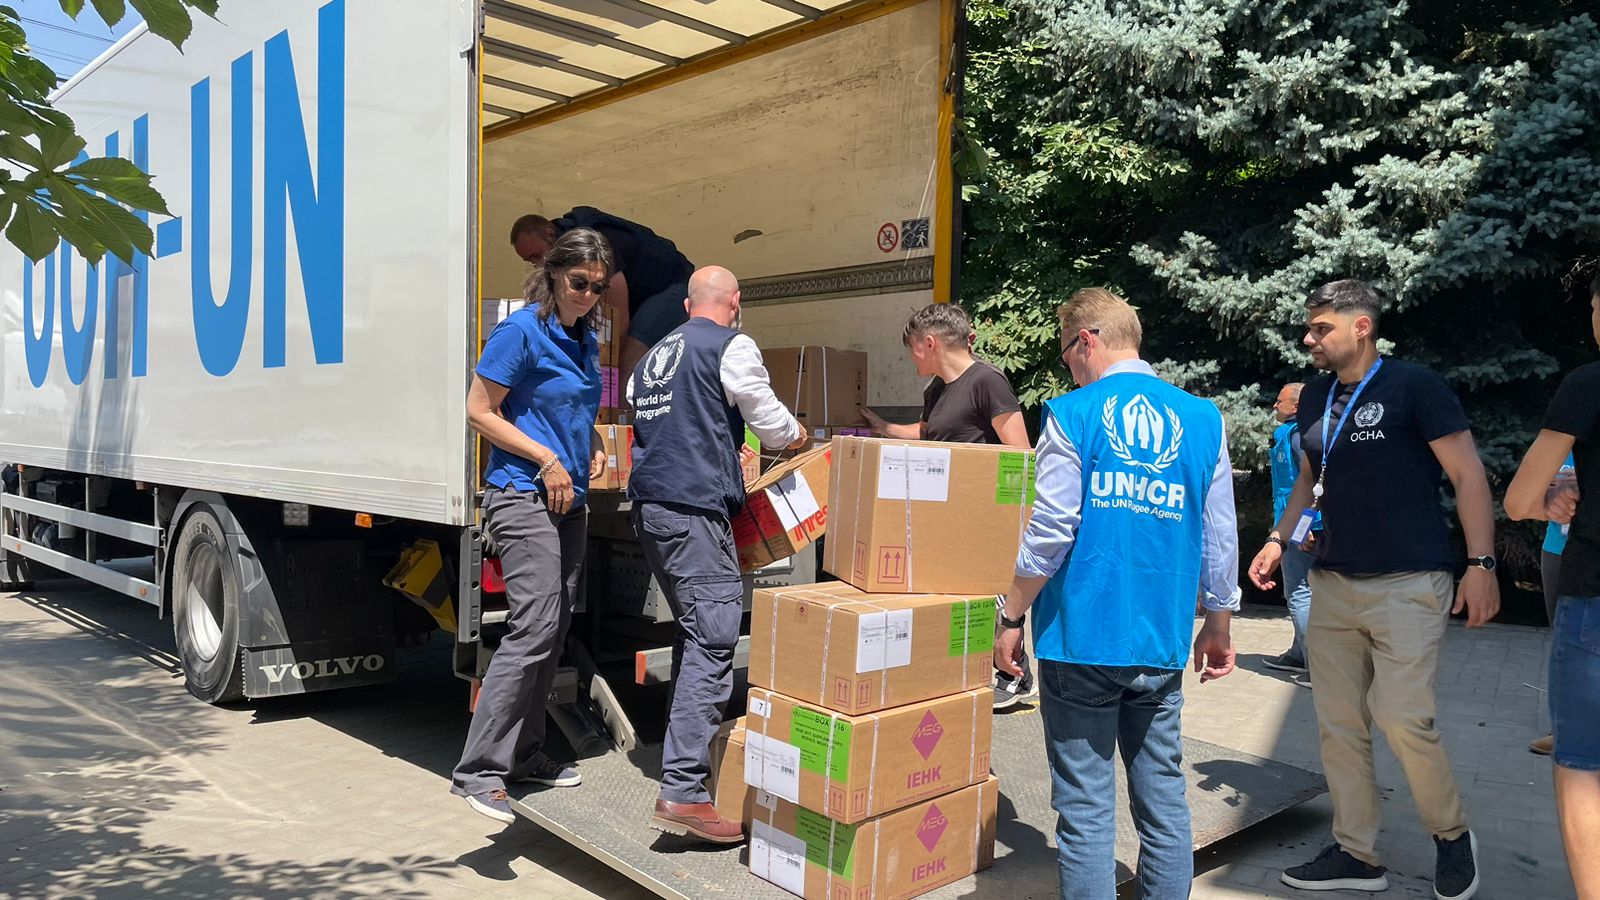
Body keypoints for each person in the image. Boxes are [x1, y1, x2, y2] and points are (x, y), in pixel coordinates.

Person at [1248, 279, 1497, 900]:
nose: (1309, 338)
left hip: (1410, 581)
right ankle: (1357, 853)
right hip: (1332, 582)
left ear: (1361, 326)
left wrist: (1483, 564)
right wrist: (1278, 539)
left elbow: (1467, 475)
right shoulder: (1313, 398)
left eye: (1321, 327)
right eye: (1308, 328)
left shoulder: (1415, 387)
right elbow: (1310, 476)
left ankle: (1452, 834)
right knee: (1338, 724)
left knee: (1402, 715)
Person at [994, 288, 1239, 899]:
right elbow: (1220, 531)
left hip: (1082, 637)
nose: (1067, 369)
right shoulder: (1203, 418)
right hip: (1159, 639)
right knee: (1162, 795)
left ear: (1087, 341)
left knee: (1085, 810)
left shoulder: (1073, 414)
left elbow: (1051, 530)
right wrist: (1220, 618)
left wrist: (1011, 612)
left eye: (1066, 353)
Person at [627, 265, 808, 844]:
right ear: (734, 301)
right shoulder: (732, 345)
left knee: (693, 629)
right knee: (715, 632)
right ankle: (683, 792)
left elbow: (666, 425)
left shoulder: (655, 358)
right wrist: (795, 435)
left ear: (686, 305)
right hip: (692, 509)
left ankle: (688, 768)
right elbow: (768, 419)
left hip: (654, 508)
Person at [452, 228, 613, 825]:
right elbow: (478, 410)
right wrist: (545, 458)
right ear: (552, 274)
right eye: (578, 283)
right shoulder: (520, 332)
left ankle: (524, 753)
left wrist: (588, 441)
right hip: (520, 495)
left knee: (554, 626)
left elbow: (567, 409)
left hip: (568, 500)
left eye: (597, 288)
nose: (587, 295)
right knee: (535, 624)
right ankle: (478, 771)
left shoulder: (584, 338)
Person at [859, 303, 1035, 710]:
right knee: (960, 602)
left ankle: (1014, 673)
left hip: (983, 514)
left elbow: (1020, 453)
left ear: (929, 342)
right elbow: (928, 433)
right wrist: (881, 429)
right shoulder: (937, 389)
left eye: (912, 349)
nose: (910, 357)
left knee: (993, 598)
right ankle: (971, 672)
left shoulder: (987, 382)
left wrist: (1005, 518)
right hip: (947, 515)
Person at [1504, 274, 1600, 900]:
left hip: (1594, 597)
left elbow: (1517, 501)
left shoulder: (1586, 386)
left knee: (1583, 766)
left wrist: (1551, 502)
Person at [511, 208, 694, 377]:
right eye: (530, 260)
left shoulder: (591, 242)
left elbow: (617, 317)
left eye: (537, 255)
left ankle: (621, 411)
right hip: (640, 294)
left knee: (629, 355)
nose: (537, 264)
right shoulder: (562, 254)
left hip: (671, 285)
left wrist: (612, 358)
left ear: (550, 233)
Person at [1264, 381, 1315, 687]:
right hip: (1291, 524)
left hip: (1301, 527)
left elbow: (1313, 484)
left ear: (1295, 407)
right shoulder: (1290, 434)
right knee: (1296, 590)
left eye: (1279, 401)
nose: (1274, 406)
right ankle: (1299, 653)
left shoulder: (1299, 437)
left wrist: (1308, 525)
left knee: (1300, 593)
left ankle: (1316, 667)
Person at [1531, 453, 1576, 756]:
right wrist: (1550, 498)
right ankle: (1564, 729)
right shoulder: (1565, 432)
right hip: (1559, 550)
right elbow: (1521, 501)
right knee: (1565, 645)